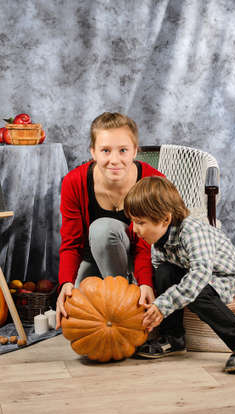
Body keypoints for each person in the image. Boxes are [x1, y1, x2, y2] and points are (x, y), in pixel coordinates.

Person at [124, 176, 235, 373]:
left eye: (140, 222)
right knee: (163, 272)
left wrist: (163, 305)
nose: (135, 229)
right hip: (193, 272)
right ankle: (173, 337)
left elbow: (200, 275)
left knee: (197, 293)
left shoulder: (192, 231)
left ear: (165, 219)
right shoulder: (157, 240)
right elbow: (161, 271)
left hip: (224, 275)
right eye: (133, 221)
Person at [56, 112, 164, 329]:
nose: (114, 160)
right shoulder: (74, 182)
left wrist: (144, 282)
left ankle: (123, 307)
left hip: (139, 262)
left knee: (103, 229)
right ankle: (118, 308)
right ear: (93, 152)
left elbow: (145, 245)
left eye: (123, 150)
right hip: (95, 257)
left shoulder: (153, 182)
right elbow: (71, 243)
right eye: (105, 150)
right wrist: (65, 284)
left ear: (135, 151)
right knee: (79, 314)